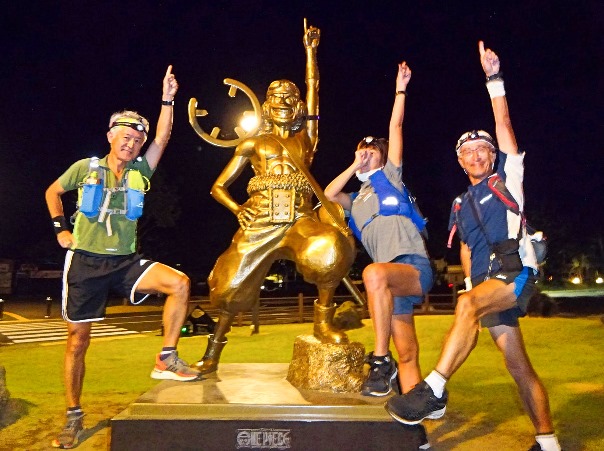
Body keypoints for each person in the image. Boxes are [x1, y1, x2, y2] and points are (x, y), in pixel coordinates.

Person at [385, 42, 561, 451]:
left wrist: (494, 79)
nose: (477, 155)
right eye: (468, 152)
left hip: (514, 272)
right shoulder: (460, 203)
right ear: (460, 162)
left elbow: (504, 124)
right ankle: (548, 442)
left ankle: (434, 389)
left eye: (483, 149)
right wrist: (470, 286)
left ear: (493, 156)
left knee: (466, 306)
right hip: (485, 283)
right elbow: (465, 248)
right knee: (518, 367)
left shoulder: (507, 179)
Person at [45, 66, 200, 449]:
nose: (131, 144)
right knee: (77, 341)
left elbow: (162, 137)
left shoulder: (141, 171)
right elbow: (52, 192)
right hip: (85, 262)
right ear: (111, 136)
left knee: (179, 283)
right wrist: (60, 229)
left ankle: (166, 357)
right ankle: (73, 415)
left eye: (137, 140)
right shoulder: (86, 169)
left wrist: (168, 99)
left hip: (125, 262)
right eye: (125, 137)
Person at [192, 23, 355, 374]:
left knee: (328, 249)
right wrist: (237, 209)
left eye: (289, 96)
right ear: (266, 105)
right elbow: (218, 187)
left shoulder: (307, 138)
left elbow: (314, 89)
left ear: (298, 106)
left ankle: (323, 322)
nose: (283, 101)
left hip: (298, 218)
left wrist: (310, 53)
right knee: (229, 291)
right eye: (276, 96)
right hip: (261, 218)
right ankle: (212, 352)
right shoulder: (252, 143)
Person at [325, 61, 432, 448]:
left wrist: (400, 89)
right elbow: (328, 194)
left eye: (372, 151)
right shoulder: (355, 200)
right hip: (389, 287)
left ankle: (379, 360)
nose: (366, 153)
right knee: (409, 353)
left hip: (412, 268)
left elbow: (396, 128)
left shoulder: (392, 178)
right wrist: (354, 164)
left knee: (371, 273)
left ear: (384, 158)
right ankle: (416, 431)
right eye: (362, 149)